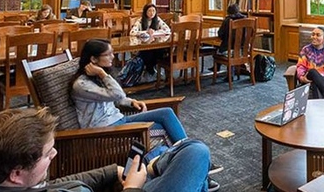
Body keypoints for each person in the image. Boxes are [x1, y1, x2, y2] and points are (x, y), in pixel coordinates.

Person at [70, 39, 222, 190]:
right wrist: (103, 74)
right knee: (161, 129)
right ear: (93, 59)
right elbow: (116, 94)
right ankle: (195, 169)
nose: (113, 57)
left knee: (166, 113)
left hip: (118, 119)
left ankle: (187, 156)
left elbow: (112, 99)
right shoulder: (82, 85)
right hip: (105, 128)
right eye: (108, 54)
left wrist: (130, 102)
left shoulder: (95, 79)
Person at [0, 107, 211, 192]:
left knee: (186, 155)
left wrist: (110, 171)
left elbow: (62, 182)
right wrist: (134, 188)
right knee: (196, 153)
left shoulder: (3, 182)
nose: (55, 154)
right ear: (16, 174)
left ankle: (156, 164)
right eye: (47, 152)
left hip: (121, 185)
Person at [296, 26, 324, 100]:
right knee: (313, 72)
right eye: (313, 34)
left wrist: (320, 75)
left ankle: (319, 109)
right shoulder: (306, 49)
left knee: (315, 83)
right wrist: (302, 78)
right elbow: (300, 66)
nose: (314, 37)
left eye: (318, 35)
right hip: (308, 78)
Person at [129, 3, 171, 74]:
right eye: (149, 11)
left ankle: (151, 68)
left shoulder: (157, 20)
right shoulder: (140, 20)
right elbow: (132, 32)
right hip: (143, 45)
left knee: (161, 51)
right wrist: (145, 32)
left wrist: (157, 32)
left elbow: (168, 30)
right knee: (148, 52)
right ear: (145, 12)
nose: (152, 13)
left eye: (153, 11)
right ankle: (150, 69)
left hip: (155, 44)